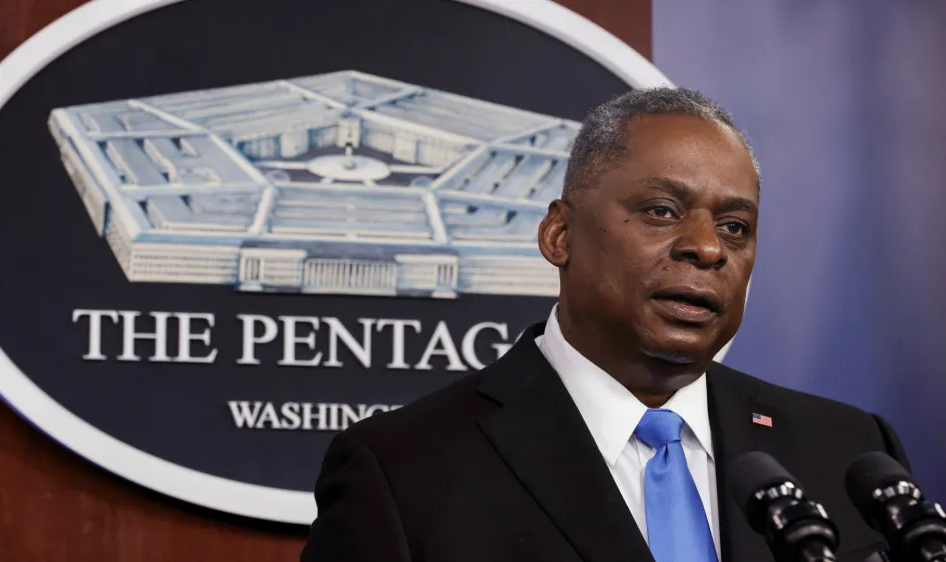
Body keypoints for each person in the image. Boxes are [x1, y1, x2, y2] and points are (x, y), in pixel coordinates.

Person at [300, 88, 910, 562]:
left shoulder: (850, 452)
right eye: (662, 211)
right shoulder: (406, 469)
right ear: (560, 234)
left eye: (734, 227)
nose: (707, 249)